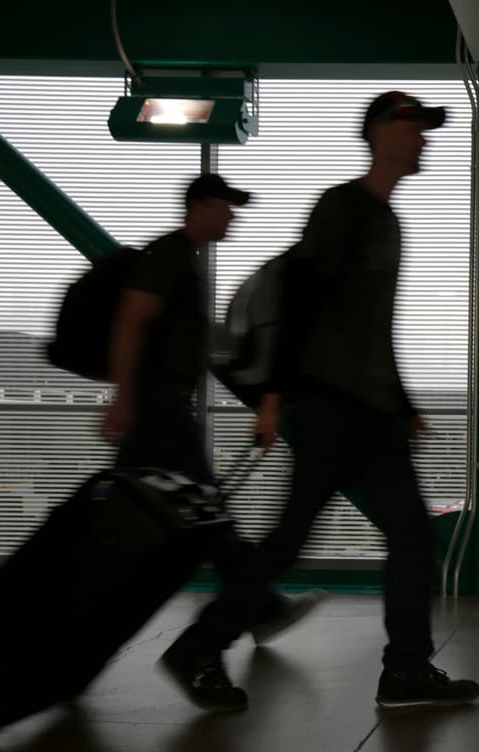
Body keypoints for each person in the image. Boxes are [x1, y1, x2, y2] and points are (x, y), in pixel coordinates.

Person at [160, 93, 479, 711]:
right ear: (382, 131)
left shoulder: (387, 221)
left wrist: (402, 402)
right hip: (327, 408)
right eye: (416, 127)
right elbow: (300, 300)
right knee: (290, 541)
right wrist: (274, 396)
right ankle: (201, 646)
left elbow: (372, 327)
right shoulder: (342, 207)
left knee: (410, 535)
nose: (425, 139)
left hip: (371, 412)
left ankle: (407, 670)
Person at [104, 174, 325, 711]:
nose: (233, 217)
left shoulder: (188, 262)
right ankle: (256, 610)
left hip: (163, 408)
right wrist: (124, 398)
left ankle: (260, 606)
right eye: (227, 207)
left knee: (182, 518)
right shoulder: (169, 255)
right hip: (157, 410)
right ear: (199, 206)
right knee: (205, 514)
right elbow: (132, 321)